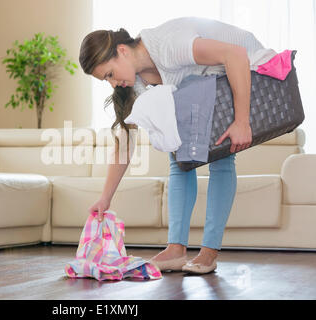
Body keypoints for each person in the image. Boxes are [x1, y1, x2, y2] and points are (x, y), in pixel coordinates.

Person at [79, 16, 258, 274]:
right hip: (201, 85)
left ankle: (209, 252)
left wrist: (242, 122)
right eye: (105, 80)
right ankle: (176, 250)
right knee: (179, 159)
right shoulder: (135, 82)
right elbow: (126, 139)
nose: (113, 83)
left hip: (242, 68)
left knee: (221, 157)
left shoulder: (168, 44)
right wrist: (105, 198)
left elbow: (236, 54)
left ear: (121, 50)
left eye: (109, 74)